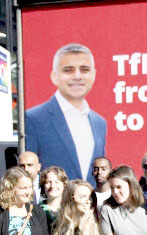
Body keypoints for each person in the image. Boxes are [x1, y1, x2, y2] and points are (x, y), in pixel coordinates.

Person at [26, 43, 106, 184]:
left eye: (84, 69)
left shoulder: (100, 123)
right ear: (54, 76)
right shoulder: (34, 119)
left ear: (93, 75)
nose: (77, 76)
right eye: (68, 70)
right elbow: (27, 174)